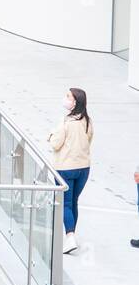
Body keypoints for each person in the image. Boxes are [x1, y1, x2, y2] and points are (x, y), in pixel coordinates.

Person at [49, 87, 93, 255]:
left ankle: (70, 235)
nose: (65, 98)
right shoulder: (87, 121)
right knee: (73, 201)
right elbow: (89, 140)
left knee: (65, 203)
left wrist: (51, 134)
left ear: (75, 102)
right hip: (83, 167)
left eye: (68, 96)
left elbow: (55, 144)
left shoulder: (65, 122)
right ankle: (71, 235)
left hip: (65, 167)